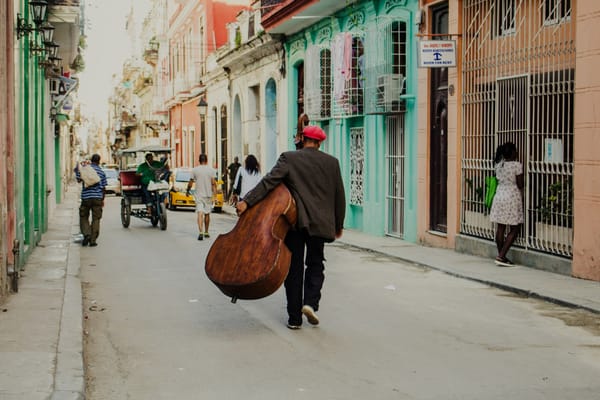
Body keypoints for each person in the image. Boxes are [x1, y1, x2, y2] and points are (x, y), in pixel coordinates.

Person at [237, 125, 346, 330]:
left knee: (294, 268)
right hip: (321, 224)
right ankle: (310, 303)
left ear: (302, 139)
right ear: (320, 143)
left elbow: (268, 182)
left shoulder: (289, 158)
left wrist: (247, 202)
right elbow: (339, 196)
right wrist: (338, 224)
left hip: (296, 222)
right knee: (316, 263)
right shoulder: (332, 163)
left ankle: (294, 318)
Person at [489, 142, 524, 267]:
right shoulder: (516, 165)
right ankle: (501, 255)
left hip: (499, 195)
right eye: (516, 151)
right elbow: (520, 184)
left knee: (501, 227)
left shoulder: (499, 165)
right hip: (511, 196)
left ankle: (501, 256)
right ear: (513, 153)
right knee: (515, 227)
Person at [74, 154, 107, 247]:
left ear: (91, 160)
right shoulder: (101, 172)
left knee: (83, 217)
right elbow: (104, 187)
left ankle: (86, 234)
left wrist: (77, 169)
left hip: (86, 197)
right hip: (97, 198)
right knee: (96, 219)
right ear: (99, 161)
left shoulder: (86, 169)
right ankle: (93, 240)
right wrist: (102, 199)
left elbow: (78, 179)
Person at [187, 154, 216, 241]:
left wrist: (187, 190)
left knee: (200, 213)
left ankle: (200, 232)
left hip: (199, 194)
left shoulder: (195, 170)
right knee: (207, 213)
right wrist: (215, 195)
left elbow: (191, 182)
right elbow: (213, 183)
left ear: (199, 160)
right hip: (208, 195)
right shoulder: (211, 170)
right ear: (206, 160)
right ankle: (206, 232)